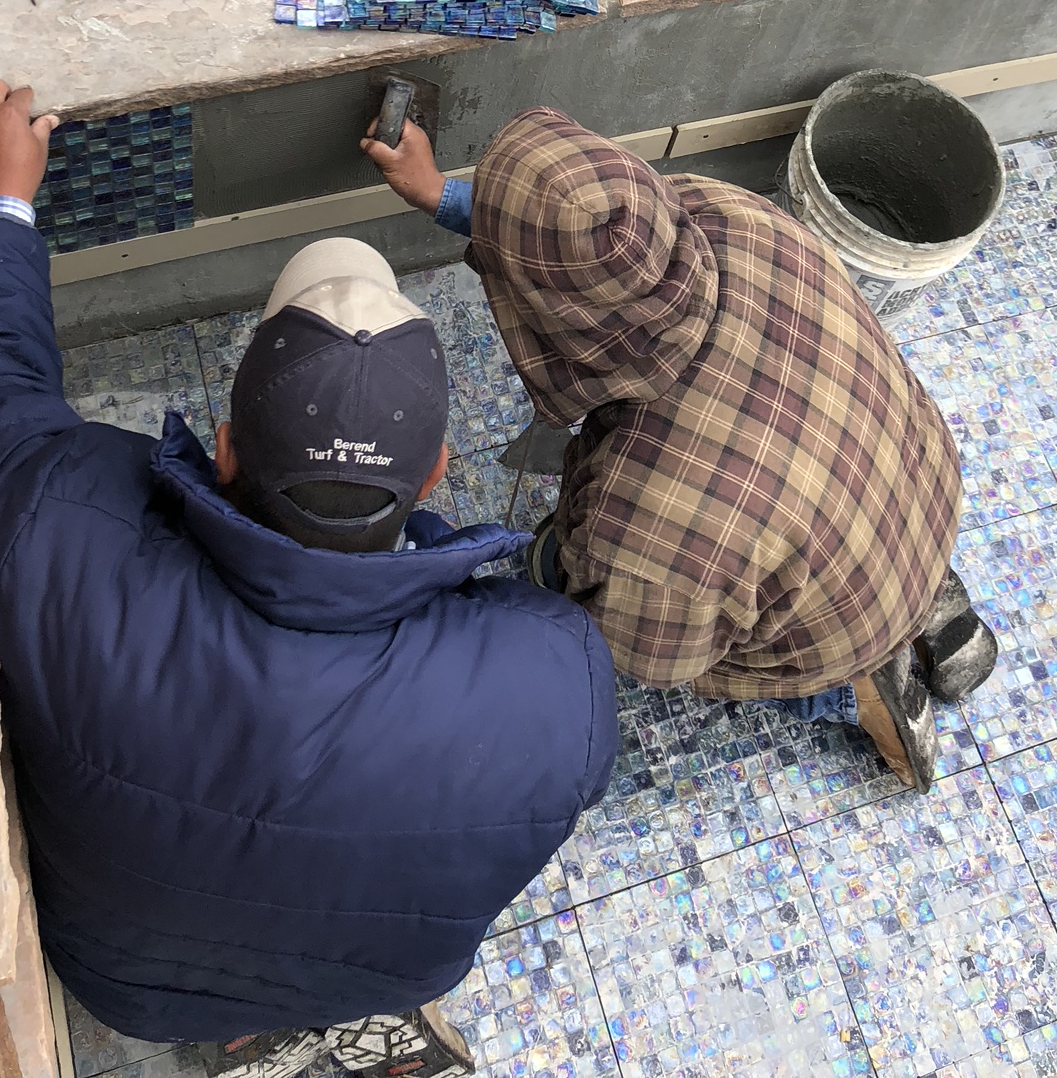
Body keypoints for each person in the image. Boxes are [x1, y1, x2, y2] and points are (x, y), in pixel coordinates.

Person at [0, 79, 617, 1078]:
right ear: (434, 471)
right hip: (377, 976)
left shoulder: (65, 540)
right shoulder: (556, 682)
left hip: (125, 982)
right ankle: (315, 1024)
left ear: (221, 448)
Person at [362, 105, 997, 794]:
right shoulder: (729, 214)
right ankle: (924, 593)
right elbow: (588, 239)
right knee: (824, 522)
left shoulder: (648, 530)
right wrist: (445, 195)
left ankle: (854, 688)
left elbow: (653, 654)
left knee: (581, 587)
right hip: (916, 480)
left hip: (836, 613)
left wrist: (561, 563)